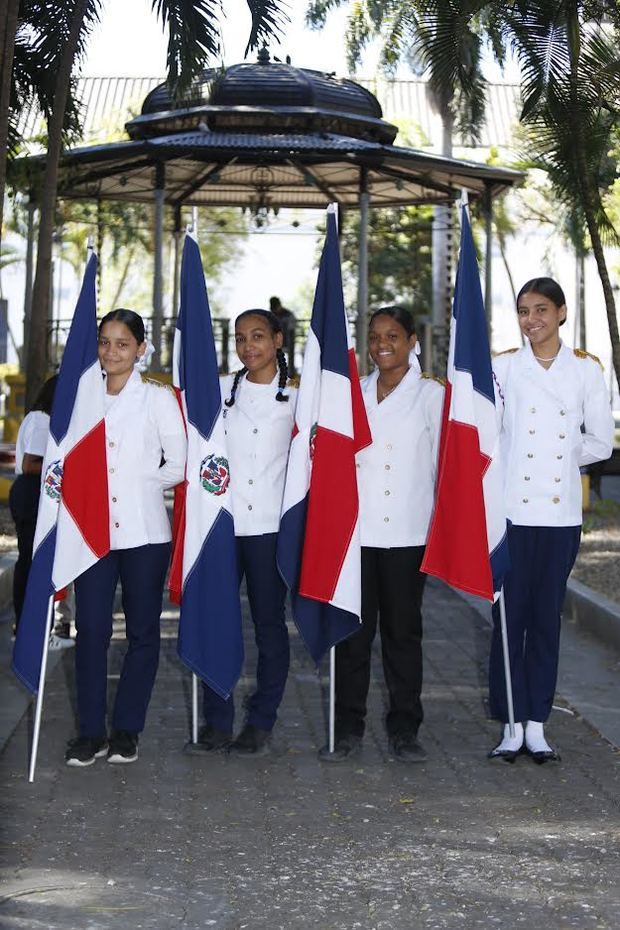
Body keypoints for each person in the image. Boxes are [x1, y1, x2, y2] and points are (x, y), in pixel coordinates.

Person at [488, 278, 614, 763]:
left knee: (545, 620)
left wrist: (562, 457)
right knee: (507, 619)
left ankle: (537, 722)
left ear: (562, 312)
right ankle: (509, 723)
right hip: (511, 513)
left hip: (559, 516)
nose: (531, 319)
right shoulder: (503, 367)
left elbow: (600, 441)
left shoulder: (584, 371)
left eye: (541, 309)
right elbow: (489, 437)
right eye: (523, 310)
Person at [320, 306, 444, 763]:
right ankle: (347, 729)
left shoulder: (432, 395)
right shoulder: (353, 393)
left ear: (413, 340)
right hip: (358, 532)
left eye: (393, 335)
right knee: (353, 635)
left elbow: (444, 466)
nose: (382, 344)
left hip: (408, 530)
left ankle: (404, 730)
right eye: (374, 337)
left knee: (402, 635)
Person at [65, 309, 186, 767]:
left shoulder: (156, 398)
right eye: (104, 342)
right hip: (90, 532)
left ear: (139, 349)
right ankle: (90, 733)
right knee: (91, 630)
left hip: (144, 531)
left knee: (141, 632)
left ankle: (127, 731)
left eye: (121, 343)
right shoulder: (81, 394)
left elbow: (177, 463)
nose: (110, 351)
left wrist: (134, 486)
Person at [187, 308, 296, 756]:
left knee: (269, 626)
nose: (248, 346)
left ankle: (261, 721)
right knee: (217, 619)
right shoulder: (217, 392)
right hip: (223, 527)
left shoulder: (299, 398)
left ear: (278, 340)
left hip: (271, 528)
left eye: (257, 336)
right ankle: (216, 720)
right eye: (240, 338)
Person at [9, 375, 73, 648]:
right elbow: (30, 463)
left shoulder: (43, 419)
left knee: (33, 561)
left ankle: (32, 624)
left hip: (36, 492)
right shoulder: (40, 420)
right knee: (31, 562)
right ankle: (28, 624)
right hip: (32, 491)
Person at [269, 296, 296, 375]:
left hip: (287, 341)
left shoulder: (288, 315)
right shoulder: (271, 315)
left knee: (289, 361)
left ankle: (290, 374)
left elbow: (292, 329)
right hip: (274, 344)